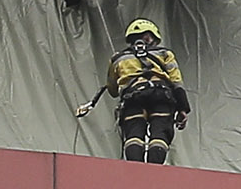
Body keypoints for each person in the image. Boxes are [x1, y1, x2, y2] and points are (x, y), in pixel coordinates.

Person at [78, 18, 190, 162]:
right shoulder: (165, 54)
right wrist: (183, 108)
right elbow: (176, 81)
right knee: (160, 131)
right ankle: (154, 169)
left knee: (134, 133)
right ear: (150, 38)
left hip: (133, 98)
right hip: (161, 96)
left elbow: (112, 90)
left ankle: (136, 170)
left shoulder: (118, 59)